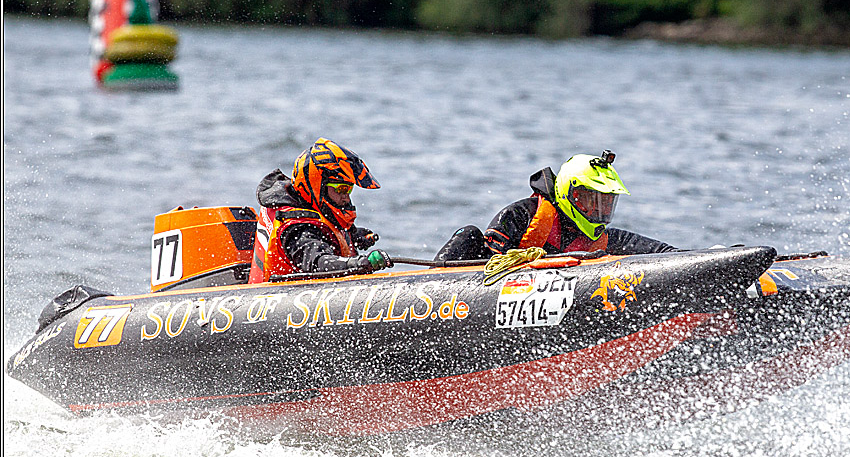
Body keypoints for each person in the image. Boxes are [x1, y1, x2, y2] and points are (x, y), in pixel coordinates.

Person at [434, 150, 678, 261]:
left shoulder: (605, 239)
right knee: (469, 234)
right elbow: (488, 266)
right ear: (568, 193)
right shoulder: (521, 216)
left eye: (605, 203)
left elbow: (667, 256)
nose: (597, 212)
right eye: (590, 200)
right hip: (481, 303)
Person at [248, 138, 393, 283]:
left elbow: (323, 234)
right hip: (279, 299)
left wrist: (354, 237)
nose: (346, 198)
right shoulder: (297, 228)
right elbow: (318, 263)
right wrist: (358, 263)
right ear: (317, 186)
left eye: (349, 189)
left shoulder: (315, 211)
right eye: (341, 189)